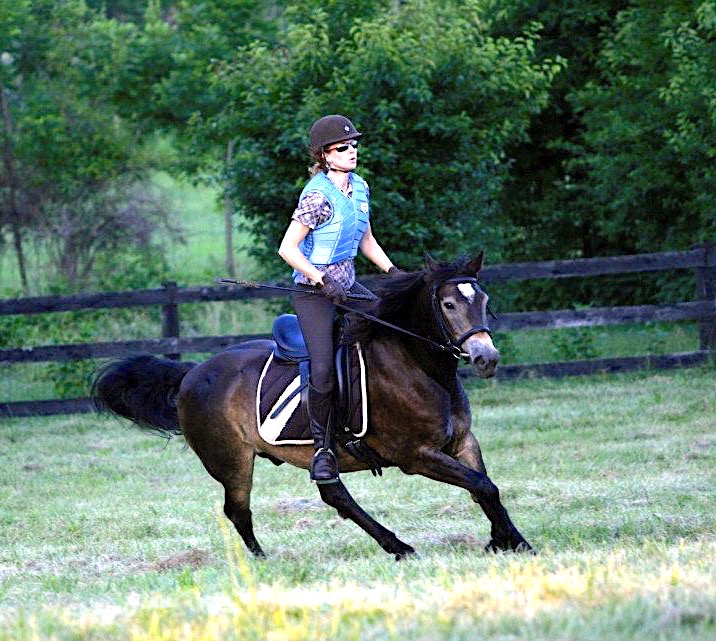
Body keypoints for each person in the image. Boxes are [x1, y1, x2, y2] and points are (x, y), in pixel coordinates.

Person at [278, 114, 400, 484]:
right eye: (343, 148)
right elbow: (288, 248)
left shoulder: (359, 187)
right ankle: (323, 450)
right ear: (325, 155)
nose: (352, 152)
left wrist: (395, 274)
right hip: (314, 294)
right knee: (324, 370)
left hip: (347, 286)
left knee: (387, 328)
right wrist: (319, 278)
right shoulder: (317, 196)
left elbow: (366, 240)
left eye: (355, 146)